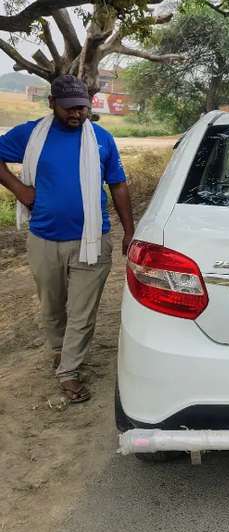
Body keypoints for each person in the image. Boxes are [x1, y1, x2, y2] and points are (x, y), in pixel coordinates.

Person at [0, 74, 134, 402]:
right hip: (44, 238)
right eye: (69, 108)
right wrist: (19, 189)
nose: (76, 114)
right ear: (52, 105)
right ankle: (60, 351)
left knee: (82, 310)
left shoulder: (101, 139)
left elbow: (117, 184)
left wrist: (130, 230)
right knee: (52, 306)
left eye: (83, 108)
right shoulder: (32, 135)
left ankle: (70, 371)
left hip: (92, 240)